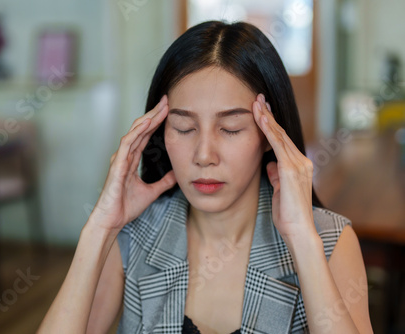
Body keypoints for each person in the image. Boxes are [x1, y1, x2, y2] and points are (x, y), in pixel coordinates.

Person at [38, 21, 373, 333]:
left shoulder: (329, 241)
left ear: (271, 136)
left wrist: (302, 238)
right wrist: (100, 227)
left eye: (230, 129)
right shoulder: (133, 236)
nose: (203, 155)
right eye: (184, 128)